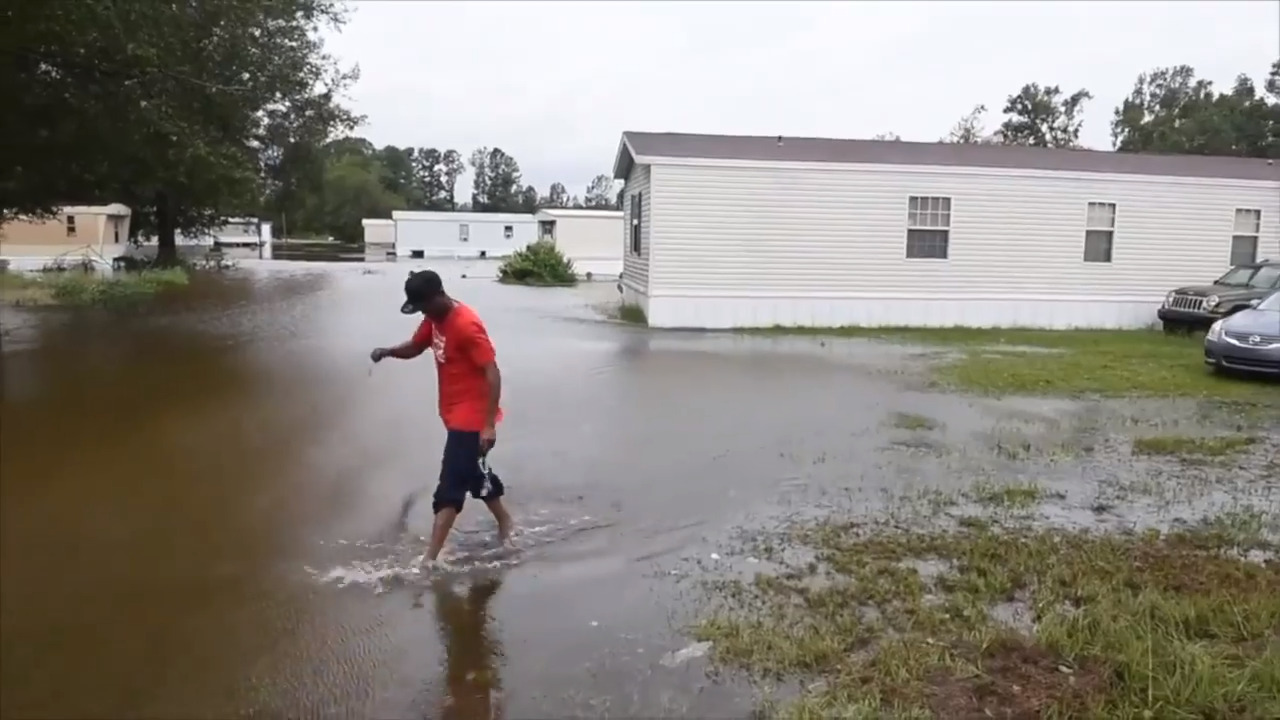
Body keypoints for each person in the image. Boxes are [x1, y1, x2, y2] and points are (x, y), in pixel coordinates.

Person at [371, 269, 514, 566]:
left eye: (424, 306)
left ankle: (430, 560)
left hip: (472, 417)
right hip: (452, 411)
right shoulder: (434, 318)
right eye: (419, 309)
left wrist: (488, 424)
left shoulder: (466, 325)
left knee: (450, 484)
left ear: (439, 296)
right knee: (473, 473)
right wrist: (388, 352)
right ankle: (507, 525)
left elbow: (493, 373)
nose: (423, 313)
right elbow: (416, 346)